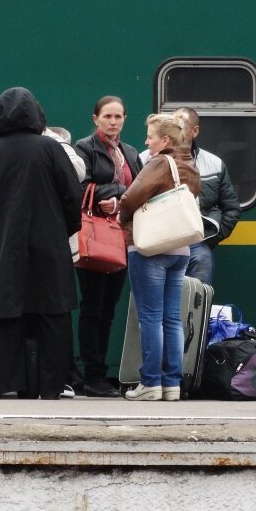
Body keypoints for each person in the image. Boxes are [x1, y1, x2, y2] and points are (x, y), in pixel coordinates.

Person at [0, 87, 81, 400]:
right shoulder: (51, 148)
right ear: (37, 114)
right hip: (50, 246)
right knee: (53, 315)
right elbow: (72, 196)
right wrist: (63, 230)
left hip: (4, 247)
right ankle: (52, 385)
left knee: (7, 314)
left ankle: (5, 382)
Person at [119, 114, 201, 401]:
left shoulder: (158, 162)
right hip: (180, 248)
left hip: (150, 248)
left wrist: (122, 217)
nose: (146, 141)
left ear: (165, 140)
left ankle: (150, 382)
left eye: (151, 136)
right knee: (172, 319)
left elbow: (131, 197)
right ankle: (171, 384)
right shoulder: (188, 163)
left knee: (150, 318)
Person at [73, 96, 143, 397]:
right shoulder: (83, 148)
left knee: (108, 307)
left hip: (121, 237)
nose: (113, 122)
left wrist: (118, 194)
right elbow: (80, 185)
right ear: (95, 118)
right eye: (107, 116)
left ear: (125, 119)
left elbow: (141, 187)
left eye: (118, 117)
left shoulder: (129, 152)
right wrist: (120, 192)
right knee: (92, 306)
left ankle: (98, 372)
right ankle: (92, 374)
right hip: (95, 236)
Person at [139, 107, 240, 285]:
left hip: (195, 244)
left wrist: (208, 238)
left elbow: (231, 208)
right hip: (156, 240)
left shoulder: (214, 164)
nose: (177, 131)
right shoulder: (143, 159)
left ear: (195, 131)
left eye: (182, 126)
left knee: (195, 300)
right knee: (156, 305)